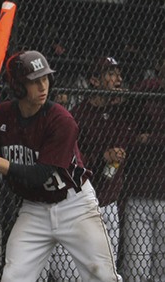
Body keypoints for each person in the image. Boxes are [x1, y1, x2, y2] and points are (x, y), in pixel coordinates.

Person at [0, 50, 122, 281]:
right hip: (34, 209)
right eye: (34, 81)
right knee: (13, 276)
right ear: (18, 87)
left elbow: (39, 175)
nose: (43, 87)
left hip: (75, 205)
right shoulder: (2, 114)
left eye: (45, 79)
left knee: (103, 276)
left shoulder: (61, 121)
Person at [48, 56, 133, 279]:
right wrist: (101, 157)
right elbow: (70, 159)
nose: (119, 78)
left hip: (109, 201)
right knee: (73, 272)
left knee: (107, 269)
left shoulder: (121, 112)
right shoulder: (79, 115)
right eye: (111, 74)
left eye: (119, 73)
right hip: (81, 202)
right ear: (95, 80)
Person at [121, 44, 165, 281]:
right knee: (136, 267)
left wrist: (152, 138)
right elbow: (127, 126)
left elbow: (146, 137)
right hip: (140, 193)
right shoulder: (146, 91)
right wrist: (141, 139)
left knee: (161, 268)